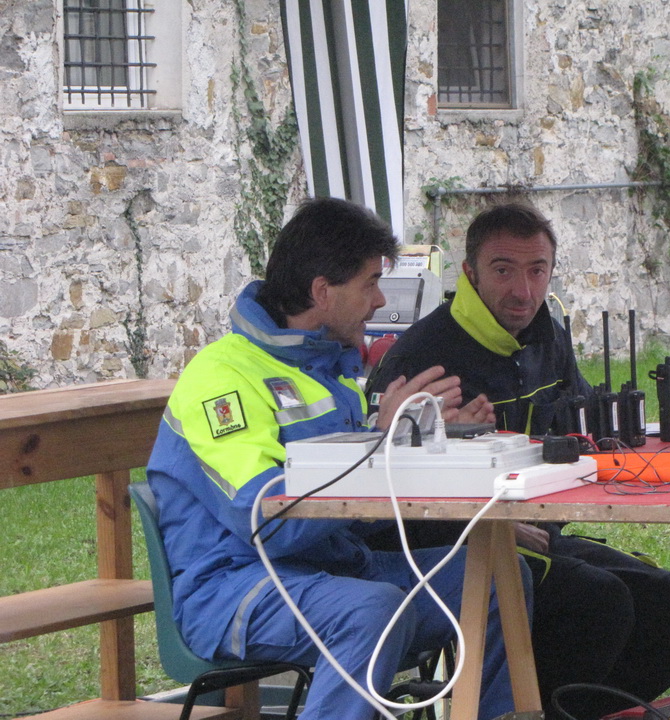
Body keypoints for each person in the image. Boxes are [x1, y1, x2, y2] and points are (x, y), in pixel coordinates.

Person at [146, 197, 533, 720]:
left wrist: (430, 442)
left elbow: (365, 505)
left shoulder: (328, 369)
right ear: (323, 292)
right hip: (234, 588)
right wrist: (381, 445)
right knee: (370, 610)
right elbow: (269, 520)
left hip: (339, 570)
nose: (380, 300)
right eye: (370, 282)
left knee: (497, 575)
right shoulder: (220, 380)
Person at [367, 201, 670, 719]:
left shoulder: (548, 335)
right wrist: (470, 489)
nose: (523, 290)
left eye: (537, 271)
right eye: (503, 271)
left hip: (541, 532)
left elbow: (583, 431)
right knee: (599, 603)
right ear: (469, 273)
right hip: (452, 548)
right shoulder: (422, 358)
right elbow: (382, 496)